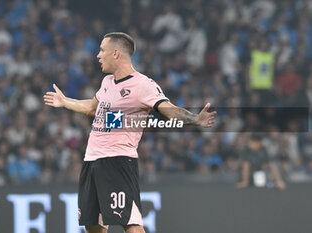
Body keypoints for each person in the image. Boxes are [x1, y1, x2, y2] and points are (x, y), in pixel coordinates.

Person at [43, 32, 217, 233]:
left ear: (116, 53)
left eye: (102, 50)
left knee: (131, 225)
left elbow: (168, 109)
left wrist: (194, 119)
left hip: (118, 161)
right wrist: (66, 102)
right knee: (92, 225)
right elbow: (92, 107)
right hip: (92, 160)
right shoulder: (107, 82)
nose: (98, 55)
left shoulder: (143, 85)